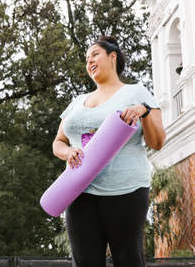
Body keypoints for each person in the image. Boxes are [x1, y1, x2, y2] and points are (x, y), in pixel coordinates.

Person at [52, 36, 166, 267]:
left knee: (128, 259)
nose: (89, 61)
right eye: (86, 59)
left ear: (113, 57)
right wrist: (68, 152)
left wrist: (143, 112)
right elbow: (58, 142)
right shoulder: (77, 102)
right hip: (79, 191)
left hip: (126, 191)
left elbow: (157, 142)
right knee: (84, 262)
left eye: (95, 54)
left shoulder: (137, 93)